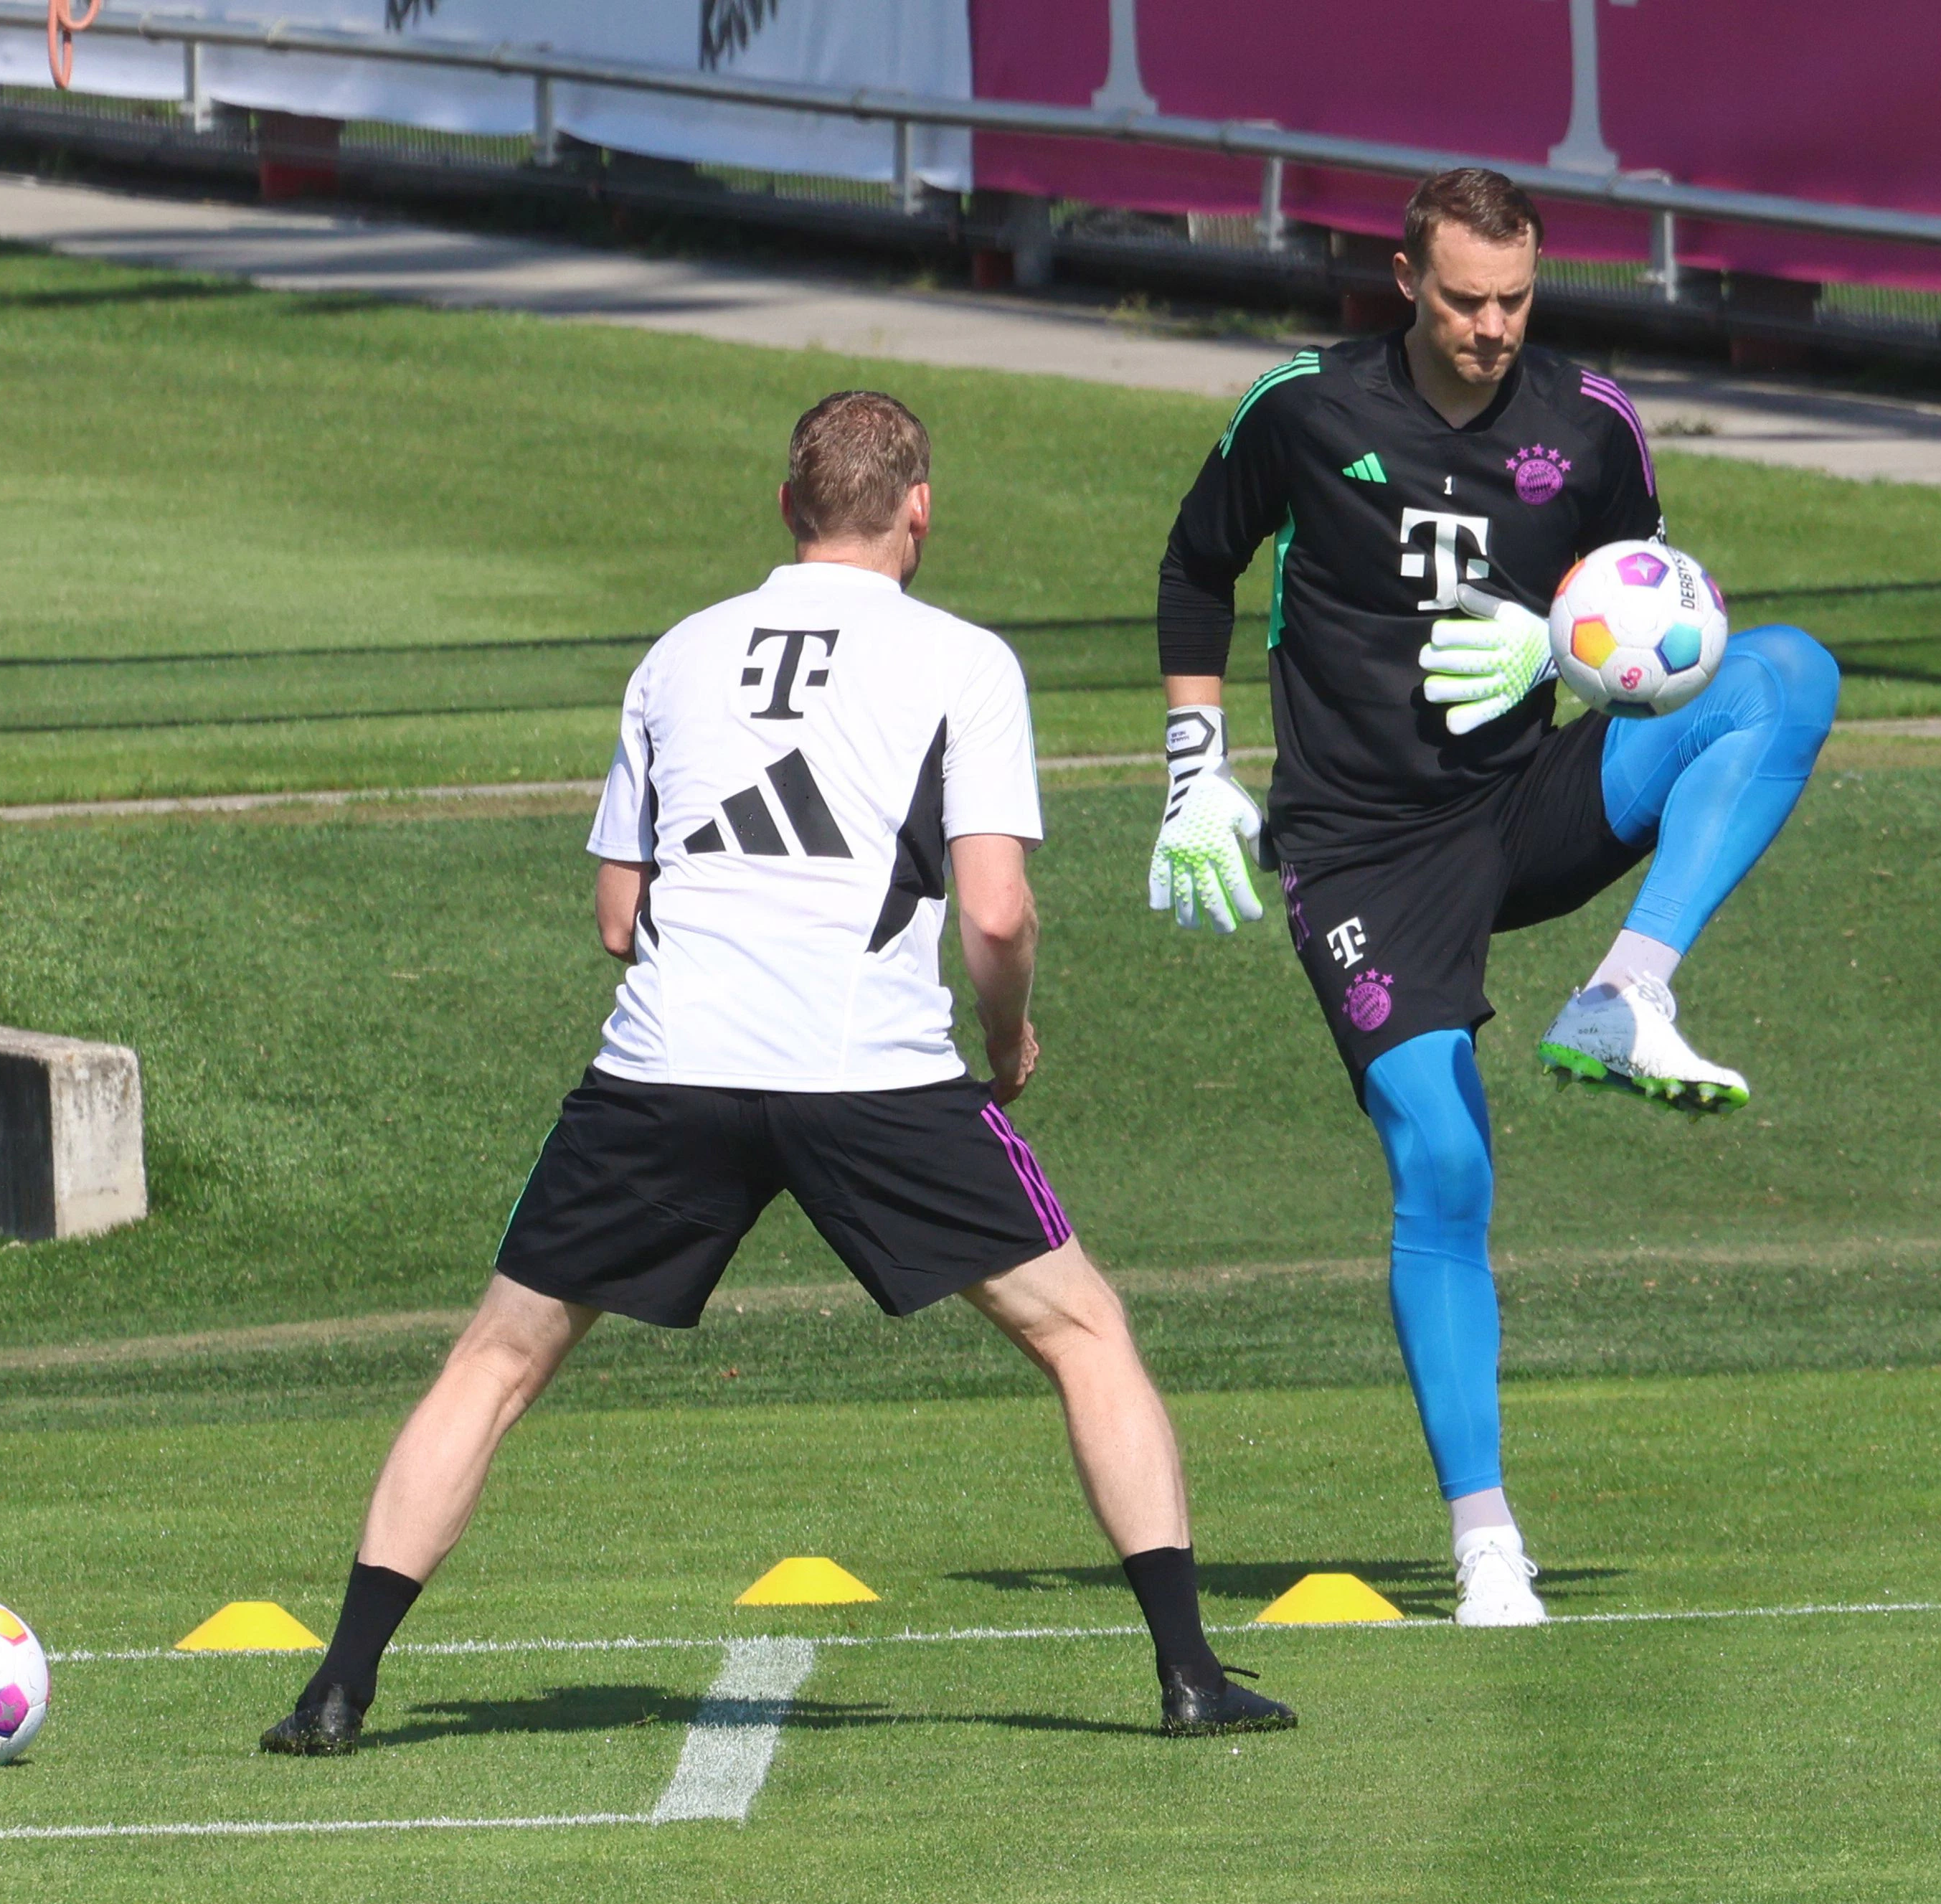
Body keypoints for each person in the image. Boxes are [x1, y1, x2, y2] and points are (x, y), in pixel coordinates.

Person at [263, 391, 1293, 1754]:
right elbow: (995, 913)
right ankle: (1188, 1675)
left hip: (668, 1066)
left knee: (498, 1362)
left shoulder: (677, 655)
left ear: (786, 508)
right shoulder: (965, 663)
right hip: (870, 1068)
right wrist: (1006, 1042)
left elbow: (620, 919)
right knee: (1082, 1331)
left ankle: (338, 1687)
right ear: (918, 509)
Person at [1144, 169, 1839, 1625]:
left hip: (1523, 807)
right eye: (1462, 299)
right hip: (1359, 849)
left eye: (1514, 299)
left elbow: (1649, 613)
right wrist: (1193, 768)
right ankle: (1483, 1542)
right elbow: (1194, 567)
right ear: (1403, 279)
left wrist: (1560, 650)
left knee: (1785, 676)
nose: (1490, 326)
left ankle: (1626, 987)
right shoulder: (1300, 408)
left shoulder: (1588, 423)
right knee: (1442, 1161)